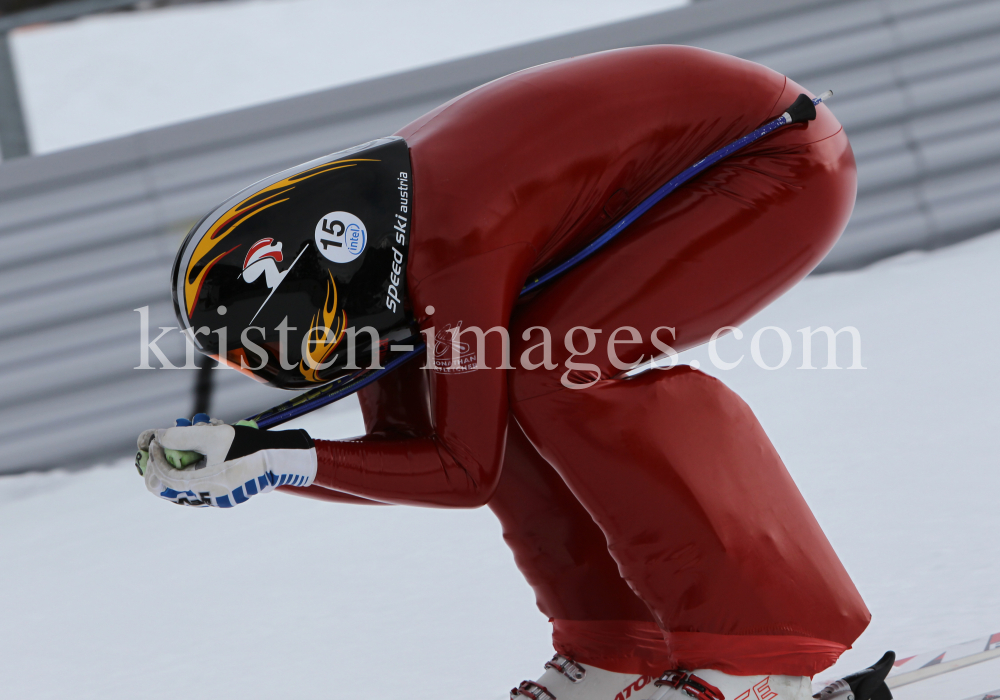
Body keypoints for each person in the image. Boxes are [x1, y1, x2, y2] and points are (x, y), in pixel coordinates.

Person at [137, 45, 873, 700]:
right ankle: (620, 646)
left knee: (551, 369)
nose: (353, 362)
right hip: (727, 142)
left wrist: (278, 459)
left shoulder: (448, 242)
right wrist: (258, 464)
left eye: (335, 349)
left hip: (774, 157)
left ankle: (761, 654)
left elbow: (463, 472)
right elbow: (410, 451)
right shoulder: (383, 240)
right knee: (493, 385)